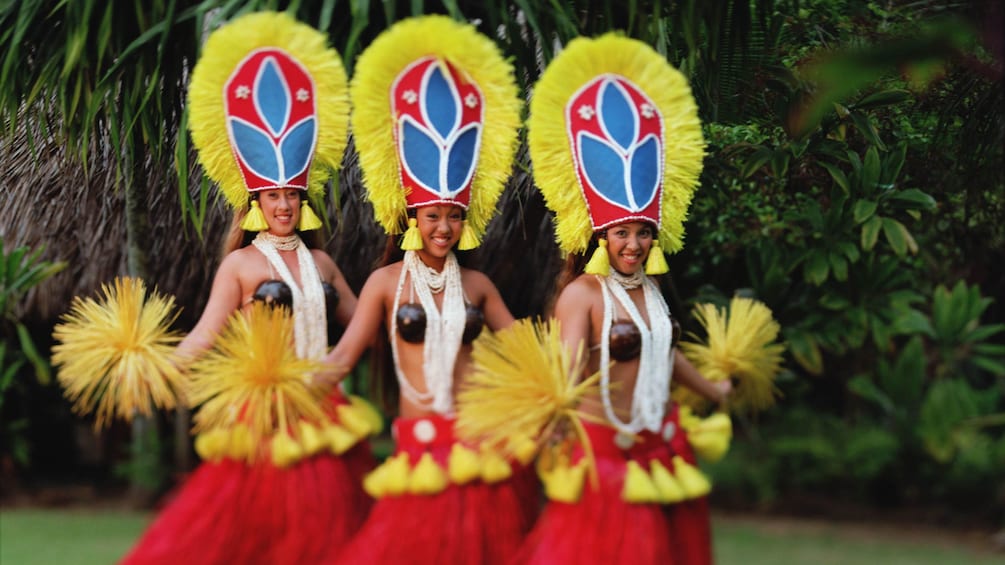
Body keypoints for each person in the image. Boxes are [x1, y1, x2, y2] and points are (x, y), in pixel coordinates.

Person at [120, 12, 375, 565]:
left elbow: (365, 319)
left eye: (291, 195)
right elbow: (207, 334)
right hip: (262, 415)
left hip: (323, 409)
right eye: (273, 197)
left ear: (302, 199)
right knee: (254, 538)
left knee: (325, 538)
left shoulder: (324, 263)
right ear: (256, 203)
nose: (283, 205)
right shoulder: (239, 265)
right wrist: (157, 366)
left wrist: (346, 357)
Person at [316, 16, 533, 565]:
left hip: (480, 443)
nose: (444, 228)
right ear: (413, 216)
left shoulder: (478, 286)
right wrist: (283, 388)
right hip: (421, 446)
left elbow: (529, 351)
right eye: (434, 215)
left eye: (454, 217)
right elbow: (346, 354)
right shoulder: (386, 284)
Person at [513, 34, 730, 565]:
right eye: (621, 234)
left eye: (642, 232)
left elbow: (665, 356)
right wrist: (549, 427)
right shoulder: (581, 296)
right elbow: (565, 371)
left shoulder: (651, 292)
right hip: (603, 461)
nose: (633, 245)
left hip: (657, 452)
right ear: (599, 236)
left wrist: (713, 388)